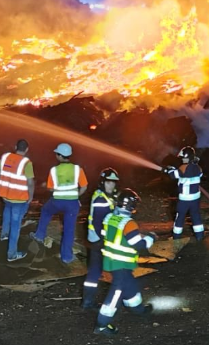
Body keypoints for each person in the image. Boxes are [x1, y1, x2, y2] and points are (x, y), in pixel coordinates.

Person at [94, 188, 155, 335]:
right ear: (132, 206)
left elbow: (103, 235)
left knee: (130, 284)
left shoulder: (109, 218)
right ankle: (102, 325)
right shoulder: (129, 224)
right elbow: (139, 245)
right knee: (116, 293)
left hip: (112, 260)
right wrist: (151, 238)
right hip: (120, 263)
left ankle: (138, 309)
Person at [33, 143, 88, 264]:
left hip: (57, 201)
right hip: (72, 203)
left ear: (59, 156)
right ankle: (67, 257)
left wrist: (48, 187)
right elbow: (84, 187)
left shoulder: (54, 170)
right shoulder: (77, 169)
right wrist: (76, 195)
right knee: (69, 230)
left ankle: (39, 235)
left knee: (46, 211)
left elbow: (50, 188)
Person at [82, 167, 120, 309]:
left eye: (114, 182)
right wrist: (105, 240)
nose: (112, 185)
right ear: (103, 182)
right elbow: (98, 223)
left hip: (100, 240)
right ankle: (89, 302)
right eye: (109, 182)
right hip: (99, 241)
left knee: (95, 271)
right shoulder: (100, 199)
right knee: (109, 270)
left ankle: (87, 301)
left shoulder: (106, 196)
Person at [0, 139, 34, 262]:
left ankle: (4, 235)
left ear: (15, 146)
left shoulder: (5, 157)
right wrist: (30, 196)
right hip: (19, 198)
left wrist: (3, 186)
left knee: (7, 211)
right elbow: (30, 182)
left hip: (6, 196)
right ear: (27, 149)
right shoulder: (27, 163)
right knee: (16, 225)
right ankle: (12, 254)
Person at [162, 146, 204, 242]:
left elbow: (173, 175)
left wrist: (168, 170)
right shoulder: (198, 168)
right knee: (196, 216)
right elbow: (198, 173)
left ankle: (176, 237)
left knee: (180, 217)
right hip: (195, 199)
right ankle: (200, 236)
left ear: (184, 158)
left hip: (184, 200)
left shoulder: (183, 168)